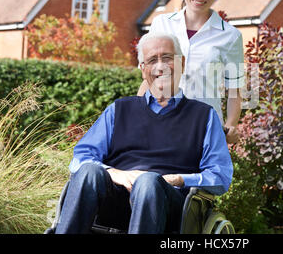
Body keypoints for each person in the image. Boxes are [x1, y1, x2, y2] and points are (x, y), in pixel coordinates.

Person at [55, 32, 233, 234]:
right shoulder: (119, 109)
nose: (160, 66)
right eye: (151, 61)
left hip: (169, 206)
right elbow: (80, 158)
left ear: (182, 63)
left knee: (148, 181)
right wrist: (116, 174)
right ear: (143, 69)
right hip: (117, 200)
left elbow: (220, 175)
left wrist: (178, 179)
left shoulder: (204, 116)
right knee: (88, 171)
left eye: (167, 58)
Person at [137, 0, 245, 144]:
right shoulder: (161, 24)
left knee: (193, 174)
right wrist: (136, 116)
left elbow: (235, 90)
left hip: (204, 130)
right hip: (160, 122)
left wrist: (230, 126)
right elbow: (149, 79)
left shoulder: (231, 36)